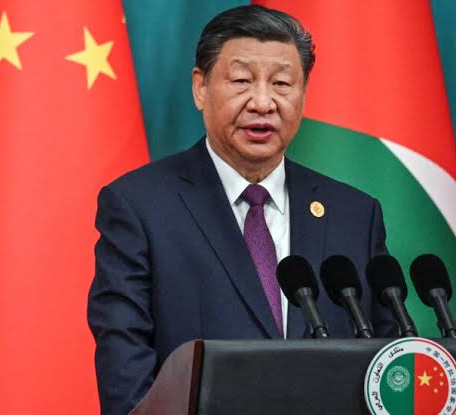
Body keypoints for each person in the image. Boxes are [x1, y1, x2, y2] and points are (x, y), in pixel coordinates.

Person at [87, 5, 397, 414]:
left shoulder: (354, 214)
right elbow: (127, 383)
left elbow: (389, 368)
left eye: (282, 83)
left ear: (304, 93)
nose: (263, 102)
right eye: (241, 81)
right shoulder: (140, 207)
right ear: (200, 87)